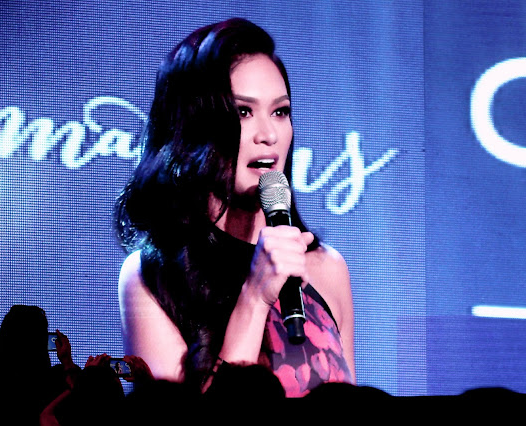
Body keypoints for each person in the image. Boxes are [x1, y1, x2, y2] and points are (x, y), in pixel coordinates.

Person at [115, 17, 355, 397]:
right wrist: (255, 298)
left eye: (280, 112)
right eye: (244, 111)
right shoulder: (153, 275)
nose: (269, 135)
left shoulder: (326, 268)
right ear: (194, 127)